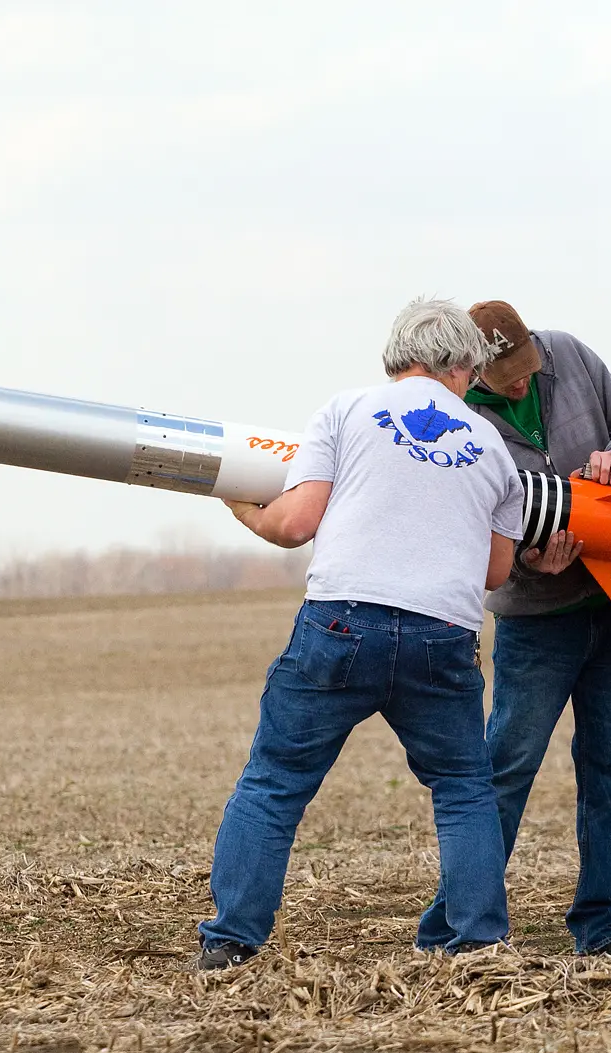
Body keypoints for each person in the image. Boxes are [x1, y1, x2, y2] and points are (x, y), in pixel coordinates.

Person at [197, 298, 527, 969]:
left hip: (342, 620)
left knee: (275, 780)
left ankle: (232, 940)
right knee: (464, 788)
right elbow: (496, 568)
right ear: (461, 364)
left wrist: (243, 511)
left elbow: (293, 523)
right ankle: (478, 941)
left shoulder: (346, 410)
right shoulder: (493, 445)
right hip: (442, 632)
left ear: (400, 354)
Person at [418, 300, 611, 965]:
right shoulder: (458, 420)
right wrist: (528, 559)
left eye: (527, 369)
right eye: (507, 377)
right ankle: (454, 928)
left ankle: (604, 928)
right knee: (504, 767)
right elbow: (460, 522)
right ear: (471, 369)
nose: (523, 383)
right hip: (534, 619)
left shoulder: (569, 353)